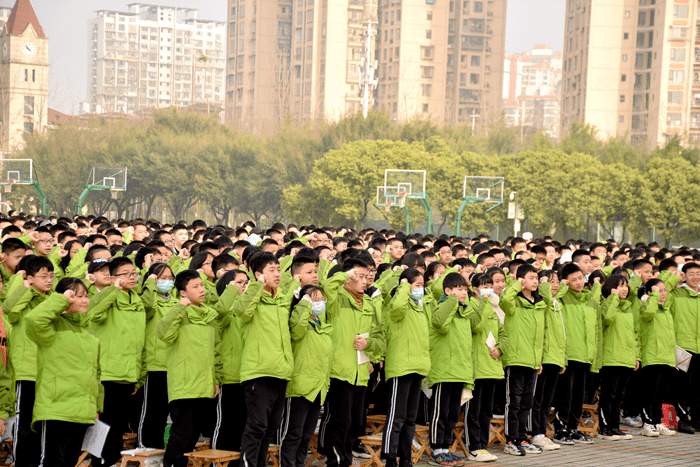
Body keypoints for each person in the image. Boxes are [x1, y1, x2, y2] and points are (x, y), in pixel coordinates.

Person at [25, 278, 102, 467]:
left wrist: (96, 407)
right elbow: (33, 320)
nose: (84, 300)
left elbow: (96, 373)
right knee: (52, 461)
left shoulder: (88, 330)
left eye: (86, 296)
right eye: (77, 296)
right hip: (57, 408)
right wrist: (61, 300)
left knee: (70, 461)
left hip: (82, 409)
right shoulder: (52, 326)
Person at [318, 259, 385, 467]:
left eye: (367, 277)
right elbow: (326, 285)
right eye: (360, 276)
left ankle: (345, 459)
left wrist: (368, 344)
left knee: (355, 423)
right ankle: (335, 460)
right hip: (339, 370)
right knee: (340, 421)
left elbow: (380, 339)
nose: (365, 281)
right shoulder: (336, 299)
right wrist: (345, 274)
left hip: (361, 371)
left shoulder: (369, 304)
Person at [233, 252, 294, 467]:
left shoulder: (281, 299)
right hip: (259, 371)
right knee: (257, 426)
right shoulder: (252, 296)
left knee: (270, 428)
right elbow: (241, 311)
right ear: (259, 275)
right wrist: (256, 286)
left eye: (278, 269)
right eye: (272, 270)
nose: (277, 274)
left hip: (281, 371)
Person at [158, 270, 222, 467]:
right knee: (181, 434)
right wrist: (178, 308)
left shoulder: (210, 316)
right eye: (195, 287)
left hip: (205, 385)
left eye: (202, 285)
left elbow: (216, 351)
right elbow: (164, 334)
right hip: (185, 385)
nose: (201, 289)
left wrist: (216, 379)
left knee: (194, 435)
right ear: (183, 292)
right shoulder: (178, 312)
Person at [87, 257, 146, 467]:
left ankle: (110, 462)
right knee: (105, 427)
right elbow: (92, 313)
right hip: (107, 374)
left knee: (119, 427)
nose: (132, 277)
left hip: (128, 375)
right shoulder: (108, 298)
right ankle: (100, 463)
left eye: (134, 273)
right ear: (113, 278)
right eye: (126, 274)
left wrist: (139, 375)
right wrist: (113, 290)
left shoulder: (137, 301)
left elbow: (140, 340)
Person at [3, 255, 55, 467]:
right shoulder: (23, 298)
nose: (49, 280)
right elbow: (10, 309)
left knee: (41, 425)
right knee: (24, 425)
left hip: (47, 371)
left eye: (51, 276)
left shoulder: (53, 300)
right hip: (26, 371)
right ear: (30, 278)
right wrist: (24, 287)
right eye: (43, 276)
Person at [381, 269, 431, 467]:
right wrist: (403, 286)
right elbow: (397, 308)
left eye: (422, 285)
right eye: (417, 285)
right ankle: (390, 457)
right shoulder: (397, 303)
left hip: (417, 367)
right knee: (396, 416)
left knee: (410, 418)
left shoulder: (419, 308)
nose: (421, 289)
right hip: (401, 367)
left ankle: (406, 458)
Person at [279, 285, 333, 467]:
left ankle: (299, 464)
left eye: (320, 299)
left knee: (306, 435)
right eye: (313, 299)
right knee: (293, 433)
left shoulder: (321, 325)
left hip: (318, 387)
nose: (318, 303)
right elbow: (297, 329)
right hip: (300, 386)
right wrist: (303, 306)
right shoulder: (298, 319)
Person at [500, 264, 547, 456]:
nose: (535, 281)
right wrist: (515, 285)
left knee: (527, 402)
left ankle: (522, 437)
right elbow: (504, 300)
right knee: (514, 402)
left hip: (532, 360)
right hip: (516, 359)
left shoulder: (540, 304)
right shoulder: (514, 302)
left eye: (536, 277)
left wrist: (539, 360)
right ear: (520, 280)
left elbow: (540, 335)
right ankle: (511, 440)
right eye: (530, 277)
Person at [427, 272, 473, 467]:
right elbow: (439, 324)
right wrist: (451, 301)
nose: (463, 293)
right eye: (458, 289)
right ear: (447, 291)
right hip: (443, 370)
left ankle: (446, 447)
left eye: (465, 289)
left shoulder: (464, 314)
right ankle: (436, 449)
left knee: (453, 413)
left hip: (460, 371)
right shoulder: (441, 308)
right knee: (440, 412)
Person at [552, 263, 599, 445]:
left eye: (580, 278)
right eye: (573, 280)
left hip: (585, 354)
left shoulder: (589, 299)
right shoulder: (563, 298)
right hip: (568, 353)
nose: (579, 282)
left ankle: (573, 427)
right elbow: (556, 296)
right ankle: (560, 428)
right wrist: (563, 285)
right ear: (566, 282)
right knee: (565, 393)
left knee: (579, 394)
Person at [466, 274, 507, 463]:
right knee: (473, 411)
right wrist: (484, 303)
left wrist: (500, 349)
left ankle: (483, 445)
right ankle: (473, 447)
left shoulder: (492, 307)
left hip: (491, 366)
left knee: (486, 411)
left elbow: (503, 334)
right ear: (475, 289)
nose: (488, 290)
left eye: (490, 286)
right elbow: (477, 326)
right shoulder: (471, 306)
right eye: (484, 286)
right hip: (476, 367)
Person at [138, 263, 177, 448]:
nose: (167, 282)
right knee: (151, 414)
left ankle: (158, 451)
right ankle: (146, 449)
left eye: (170, 278)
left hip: (172, 365)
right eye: (162, 278)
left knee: (163, 415)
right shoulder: (148, 301)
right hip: (154, 365)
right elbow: (148, 306)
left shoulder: (177, 303)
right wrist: (150, 285)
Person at [211, 269, 248, 465]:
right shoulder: (223, 309)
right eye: (240, 282)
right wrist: (231, 292)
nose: (244, 286)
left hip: (248, 376)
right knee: (225, 425)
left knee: (242, 426)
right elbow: (219, 314)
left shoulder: (247, 309)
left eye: (246, 282)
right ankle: (219, 463)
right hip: (228, 376)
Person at [598, 275, 638, 441]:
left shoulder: (628, 307)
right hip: (611, 358)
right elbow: (607, 317)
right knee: (609, 395)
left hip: (626, 358)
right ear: (611, 287)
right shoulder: (606, 303)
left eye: (626, 285)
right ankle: (604, 427)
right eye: (620, 285)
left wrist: (636, 356)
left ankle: (615, 427)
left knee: (619, 396)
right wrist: (613, 297)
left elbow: (634, 335)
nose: (625, 289)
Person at [529, 270, 564, 451]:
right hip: (543, 358)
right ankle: (535, 433)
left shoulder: (558, 304)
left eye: (557, 281)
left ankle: (542, 432)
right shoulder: (542, 303)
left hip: (556, 358)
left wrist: (563, 358)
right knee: (538, 398)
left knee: (547, 400)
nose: (555, 285)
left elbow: (562, 335)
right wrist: (539, 358)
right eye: (550, 282)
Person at [638, 279, 676, 437]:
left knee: (661, 393)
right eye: (659, 291)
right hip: (652, 356)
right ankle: (647, 423)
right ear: (650, 293)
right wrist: (652, 296)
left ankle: (657, 420)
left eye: (664, 290)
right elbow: (648, 314)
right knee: (650, 392)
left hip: (667, 357)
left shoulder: (666, 310)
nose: (663, 294)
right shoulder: (646, 307)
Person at [668, 262, 700, 434]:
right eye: (692, 273)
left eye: (698, 273)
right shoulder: (676, 294)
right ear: (684, 276)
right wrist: (674, 278)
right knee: (682, 387)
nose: (696, 277)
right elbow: (661, 293)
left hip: (699, 347)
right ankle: (682, 419)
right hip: (682, 347)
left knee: (697, 387)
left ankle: (697, 420)